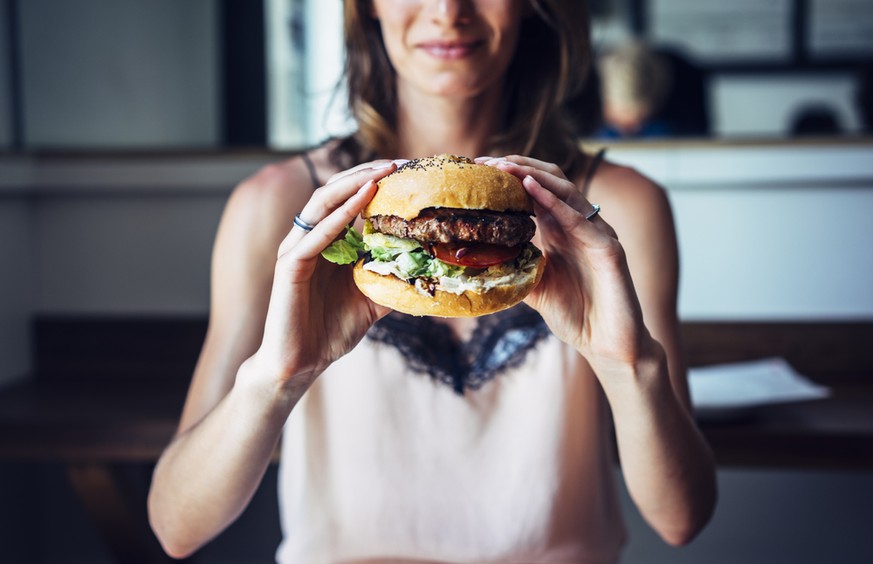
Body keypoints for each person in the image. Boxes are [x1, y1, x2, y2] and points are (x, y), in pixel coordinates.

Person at [147, 1, 717, 562]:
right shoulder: (280, 207)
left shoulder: (615, 210)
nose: (448, 10)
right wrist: (277, 378)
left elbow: (680, 518)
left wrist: (627, 365)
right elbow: (178, 526)